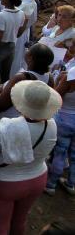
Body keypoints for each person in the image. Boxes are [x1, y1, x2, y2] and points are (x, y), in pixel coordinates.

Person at [0, 80, 60, 235]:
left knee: (0, 224)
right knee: (20, 220)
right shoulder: (52, 125)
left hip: (6, 181)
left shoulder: (8, 126)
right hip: (37, 177)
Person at [0, 43, 54, 119]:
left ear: (30, 58)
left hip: (13, 121)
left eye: (28, 50)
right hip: (31, 120)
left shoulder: (21, 78)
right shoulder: (50, 78)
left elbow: (0, 106)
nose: (26, 50)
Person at [46, 66, 75, 195]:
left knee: (60, 152)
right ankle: (71, 183)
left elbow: (55, 96)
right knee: (74, 155)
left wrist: (58, 80)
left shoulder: (70, 76)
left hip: (64, 119)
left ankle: (51, 185)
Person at [11, 0, 38, 76]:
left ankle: (13, 75)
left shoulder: (28, 4)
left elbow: (23, 20)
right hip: (22, 31)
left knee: (17, 55)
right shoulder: (27, 1)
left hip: (20, 32)